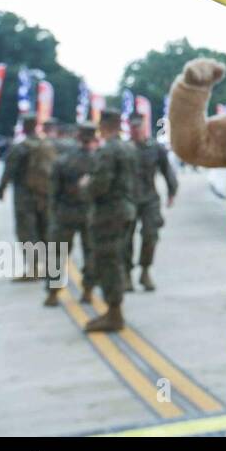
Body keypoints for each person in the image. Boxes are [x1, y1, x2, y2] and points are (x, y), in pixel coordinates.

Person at [83, 107, 136, 332]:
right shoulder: (129, 148)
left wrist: (86, 185)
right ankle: (114, 310)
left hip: (108, 213)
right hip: (125, 209)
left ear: (103, 125)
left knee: (108, 262)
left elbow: (100, 185)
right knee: (116, 258)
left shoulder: (108, 151)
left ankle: (114, 313)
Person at [45, 123, 99, 307]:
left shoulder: (63, 160)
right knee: (90, 252)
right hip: (91, 212)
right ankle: (88, 291)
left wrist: (53, 211)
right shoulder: (99, 160)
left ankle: (53, 293)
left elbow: (53, 191)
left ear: (77, 136)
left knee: (57, 252)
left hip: (65, 212)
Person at [0, 115, 56, 279]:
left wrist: (1, 188)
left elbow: (9, 169)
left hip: (25, 195)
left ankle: (33, 269)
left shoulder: (20, 147)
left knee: (27, 232)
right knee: (44, 230)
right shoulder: (47, 145)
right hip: (45, 194)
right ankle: (49, 268)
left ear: (23, 127)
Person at [127, 112, 179, 292]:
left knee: (150, 235)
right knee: (125, 237)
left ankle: (145, 271)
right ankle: (126, 273)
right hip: (128, 199)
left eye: (138, 127)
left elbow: (167, 171)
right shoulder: (124, 149)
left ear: (143, 128)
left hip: (149, 198)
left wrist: (172, 191)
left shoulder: (155, 148)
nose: (135, 131)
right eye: (132, 128)